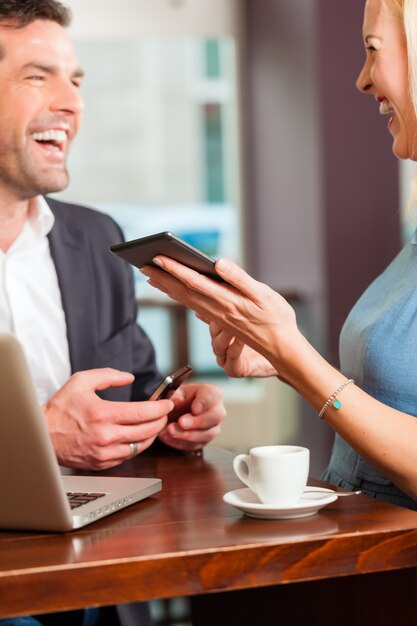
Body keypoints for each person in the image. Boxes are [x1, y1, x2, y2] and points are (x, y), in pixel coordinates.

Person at [141, 0, 417, 512]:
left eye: (372, 50)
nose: (361, 80)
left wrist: (293, 354)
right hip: (357, 551)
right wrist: (280, 358)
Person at [0, 0, 225, 624]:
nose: (72, 104)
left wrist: (171, 419)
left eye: (75, 81)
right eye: (38, 76)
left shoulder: (99, 241)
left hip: (100, 576)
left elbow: (132, 394)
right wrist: (34, 440)